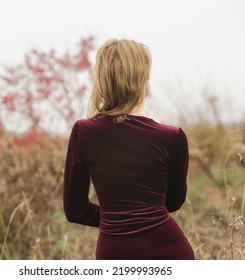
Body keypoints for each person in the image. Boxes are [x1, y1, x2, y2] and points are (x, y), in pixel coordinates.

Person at [63, 38, 195, 260]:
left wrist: (116, 219)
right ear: (144, 82)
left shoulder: (84, 132)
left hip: (114, 253)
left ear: (103, 81)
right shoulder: (172, 137)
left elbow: (75, 210)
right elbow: (174, 202)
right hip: (171, 251)